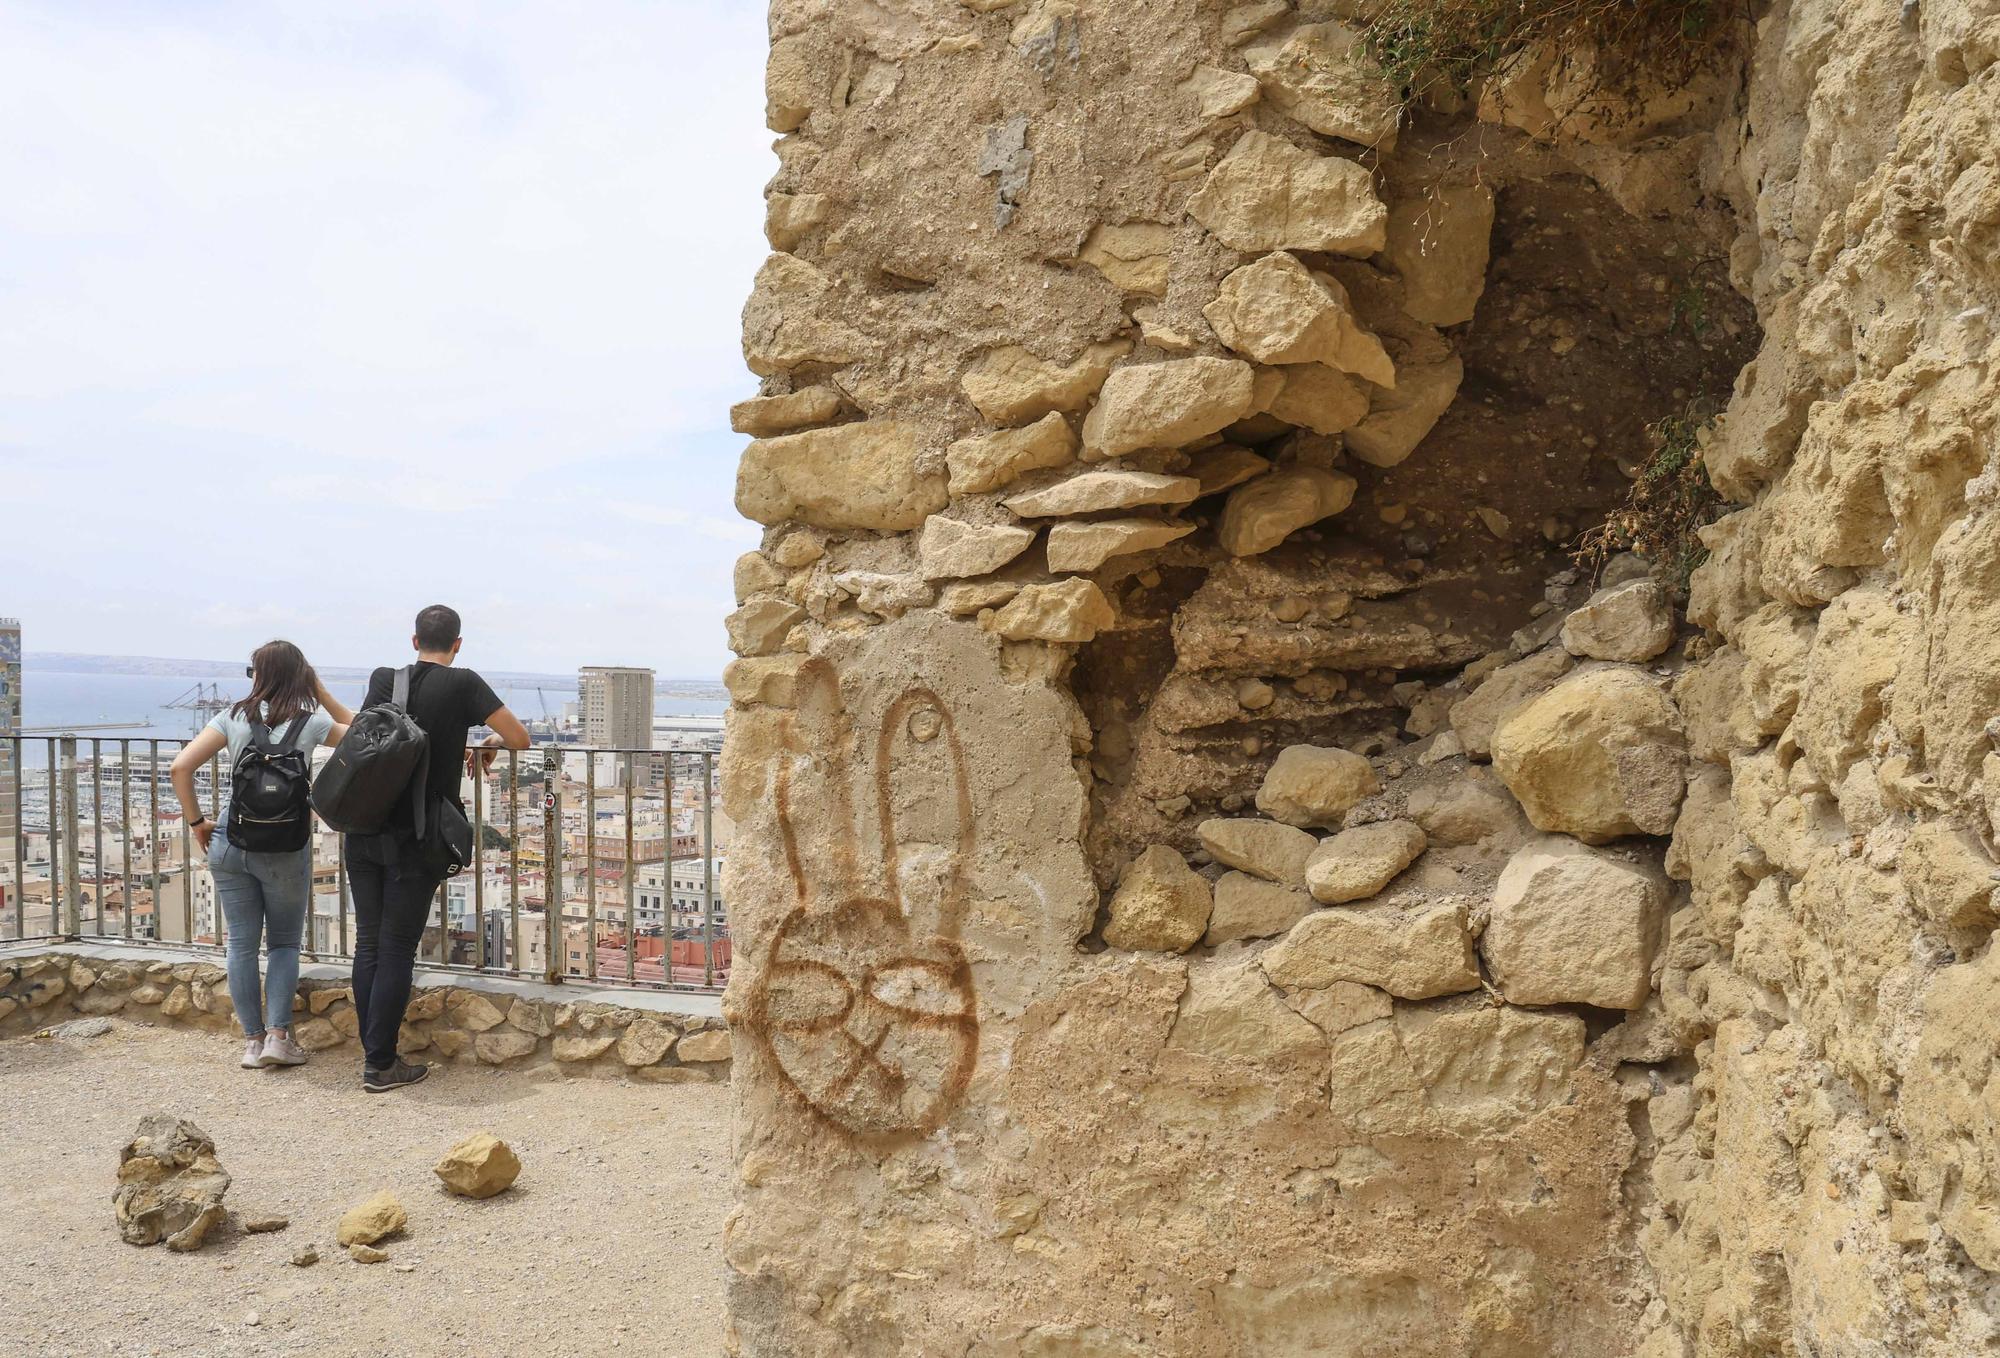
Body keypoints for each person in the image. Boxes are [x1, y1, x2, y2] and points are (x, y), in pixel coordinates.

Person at [346, 604, 530, 1093]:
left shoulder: (384, 678)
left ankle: (374, 1053)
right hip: (418, 833)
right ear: (458, 644)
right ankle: (380, 1064)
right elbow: (520, 737)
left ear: (413, 642)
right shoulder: (464, 683)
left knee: (368, 943)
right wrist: (485, 740)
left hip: (363, 827)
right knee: (397, 946)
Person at [170, 641, 352, 1070]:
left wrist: (197, 823)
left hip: (231, 842)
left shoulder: (232, 717)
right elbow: (364, 735)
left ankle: (251, 1042)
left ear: (256, 674)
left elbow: (180, 768)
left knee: (241, 943)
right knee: (285, 943)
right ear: (299, 676)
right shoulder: (311, 723)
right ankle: (278, 1037)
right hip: (286, 848)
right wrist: (320, 690)